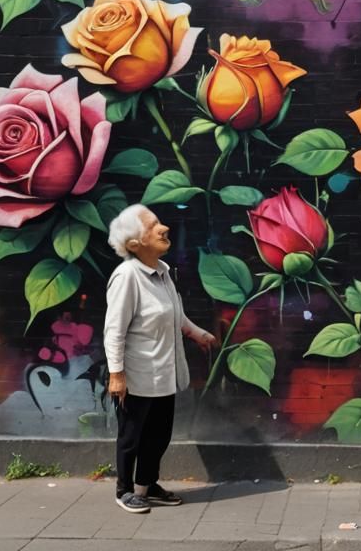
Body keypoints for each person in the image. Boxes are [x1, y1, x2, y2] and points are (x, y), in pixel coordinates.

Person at [104, 204, 216, 513]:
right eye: (152, 226)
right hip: (137, 376)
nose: (163, 228)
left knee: (158, 436)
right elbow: (114, 330)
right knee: (132, 437)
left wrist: (196, 333)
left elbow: (173, 313)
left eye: (159, 223)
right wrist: (117, 374)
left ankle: (146, 485)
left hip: (164, 373)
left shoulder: (163, 273)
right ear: (135, 243)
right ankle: (125, 490)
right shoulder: (127, 277)